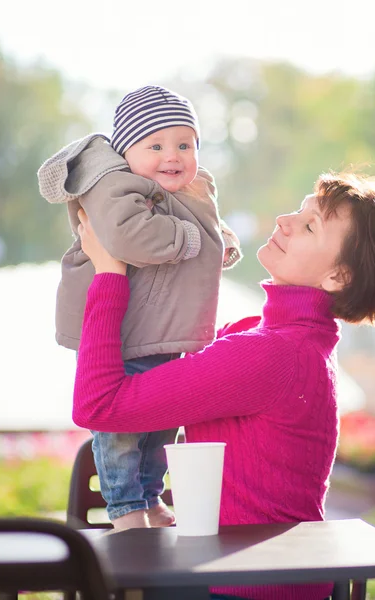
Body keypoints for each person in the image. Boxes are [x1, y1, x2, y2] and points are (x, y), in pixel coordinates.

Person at [73, 170, 375, 600]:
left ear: (338, 277)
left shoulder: (274, 355)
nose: (285, 220)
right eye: (300, 210)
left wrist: (108, 273)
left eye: (309, 225)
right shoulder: (288, 341)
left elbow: (100, 406)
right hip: (252, 576)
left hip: (243, 588)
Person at [37, 85, 241, 530]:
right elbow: (128, 236)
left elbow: (204, 223)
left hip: (164, 333)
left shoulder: (184, 187)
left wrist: (220, 242)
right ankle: (126, 507)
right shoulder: (112, 184)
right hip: (123, 336)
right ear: (126, 149)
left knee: (161, 423)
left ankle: (149, 496)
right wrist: (192, 242)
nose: (173, 155)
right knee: (120, 431)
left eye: (185, 144)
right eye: (156, 145)